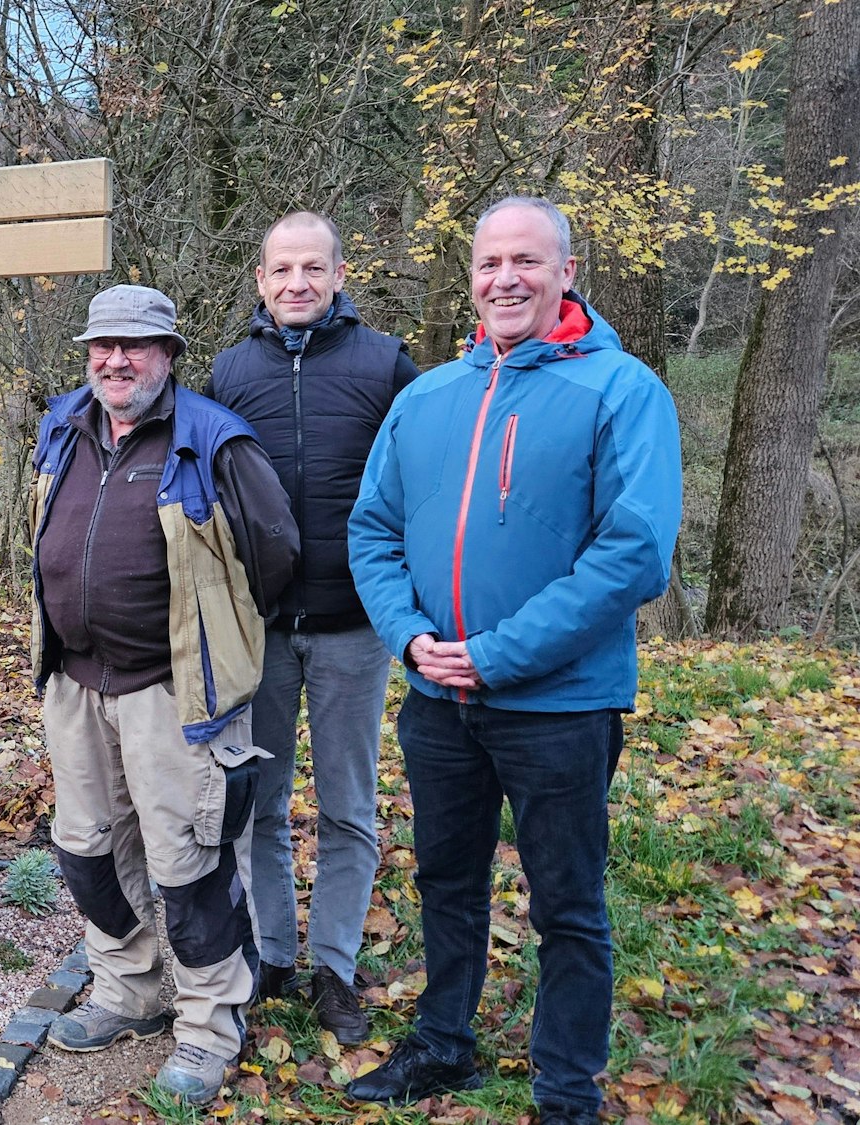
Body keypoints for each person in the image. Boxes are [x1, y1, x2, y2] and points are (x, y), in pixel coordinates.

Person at [346, 197, 681, 1124]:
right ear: (472, 277)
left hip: (561, 705)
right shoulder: (426, 398)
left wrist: (496, 654)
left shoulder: (620, 390)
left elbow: (635, 551)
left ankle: (566, 1090)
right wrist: (410, 636)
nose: (506, 278)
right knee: (445, 880)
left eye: (526, 261)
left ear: (566, 271)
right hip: (435, 698)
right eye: (490, 261)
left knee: (568, 904)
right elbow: (372, 528)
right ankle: (444, 1041)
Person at [33, 285, 299, 1105]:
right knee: (85, 850)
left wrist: (220, 646)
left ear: (169, 356)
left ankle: (209, 1026)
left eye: (136, 347)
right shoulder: (62, 428)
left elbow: (278, 552)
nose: (117, 361)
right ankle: (129, 988)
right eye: (102, 346)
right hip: (76, 681)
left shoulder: (213, 441)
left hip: (174, 693)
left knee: (188, 868)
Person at [205, 211, 419, 1044]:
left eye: (313, 268)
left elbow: (423, 484)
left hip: (353, 626)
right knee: (256, 797)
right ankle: (270, 954)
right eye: (281, 269)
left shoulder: (385, 364)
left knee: (347, 805)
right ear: (260, 280)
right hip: (257, 627)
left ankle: (333, 965)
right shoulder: (230, 371)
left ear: (338, 275)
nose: (297, 282)